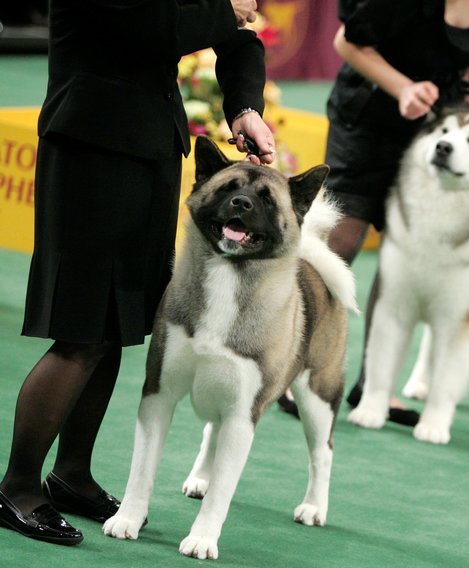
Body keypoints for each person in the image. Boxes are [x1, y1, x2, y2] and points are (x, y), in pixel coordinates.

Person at [0, 0, 275, 547]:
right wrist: (226, 9)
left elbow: (238, 38)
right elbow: (149, 27)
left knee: (115, 325)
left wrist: (245, 105)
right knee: (81, 330)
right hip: (93, 146)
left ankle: (72, 474)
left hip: (150, 147)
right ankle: (18, 487)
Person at [300, 0, 469, 425]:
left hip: (430, 129)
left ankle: (374, 389)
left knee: (403, 257)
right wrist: (403, 87)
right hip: (366, 117)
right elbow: (346, 42)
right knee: (341, 240)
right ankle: (301, 374)